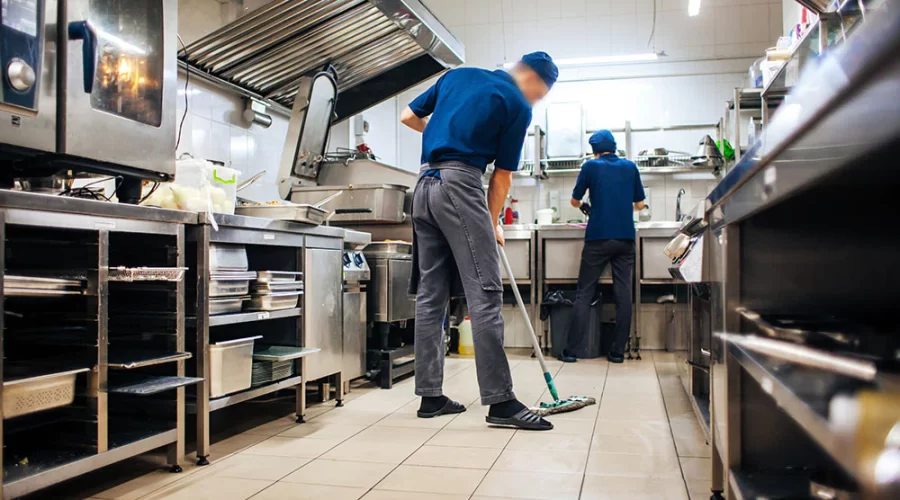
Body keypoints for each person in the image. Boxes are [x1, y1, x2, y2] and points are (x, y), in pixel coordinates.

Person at [401, 52, 558, 430]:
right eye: (542, 93)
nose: (536, 100)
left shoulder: (457, 76)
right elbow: (500, 178)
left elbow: (408, 116)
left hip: (423, 185)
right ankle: (501, 402)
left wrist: (444, 134)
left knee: (431, 295)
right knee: (485, 291)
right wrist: (492, 224)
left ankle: (431, 396)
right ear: (535, 81)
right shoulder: (518, 104)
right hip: (460, 184)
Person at [558, 130, 646, 364]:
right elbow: (640, 204)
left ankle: (571, 351)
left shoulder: (590, 167)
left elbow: (574, 201)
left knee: (584, 293)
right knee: (623, 293)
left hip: (597, 237)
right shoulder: (630, 167)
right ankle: (617, 352)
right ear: (614, 147)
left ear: (595, 149)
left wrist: (588, 205)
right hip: (625, 238)